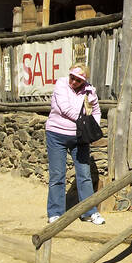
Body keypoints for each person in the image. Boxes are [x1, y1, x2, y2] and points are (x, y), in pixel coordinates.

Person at [45, 64, 105, 225]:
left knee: (84, 175)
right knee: (57, 174)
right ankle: (56, 212)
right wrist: (84, 121)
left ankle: (89, 211)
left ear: (83, 81)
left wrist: (93, 126)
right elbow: (65, 108)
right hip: (56, 134)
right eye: (72, 77)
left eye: (78, 80)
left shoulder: (89, 92)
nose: (73, 82)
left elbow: (96, 111)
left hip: (80, 138)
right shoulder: (61, 84)